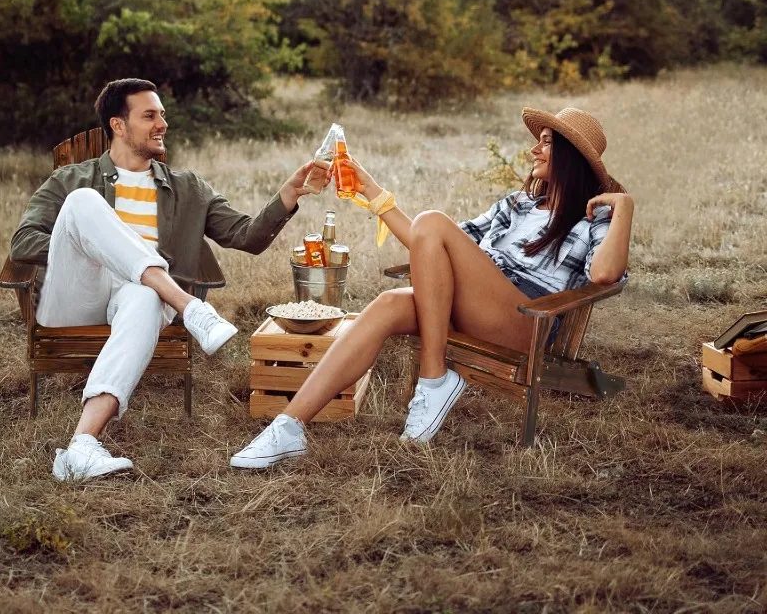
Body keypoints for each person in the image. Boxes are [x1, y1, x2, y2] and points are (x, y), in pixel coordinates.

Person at [231, 107, 634, 468]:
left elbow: (605, 274)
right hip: (474, 306)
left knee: (432, 221)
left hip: (525, 322)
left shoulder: (593, 219)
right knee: (389, 303)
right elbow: (427, 242)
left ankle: (433, 376)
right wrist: (370, 189)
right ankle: (289, 427)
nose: (535, 149)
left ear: (571, 157)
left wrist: (624, 206)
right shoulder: (516, 205)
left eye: (546, 143)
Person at [10, 78, 321, 482]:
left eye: (162, 114)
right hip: (78, 296)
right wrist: (94, 248)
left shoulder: (187, 188)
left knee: (144, 294)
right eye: (149, 116)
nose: (163, 124)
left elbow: (246, 237)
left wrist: (288, 195)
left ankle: (81, 446)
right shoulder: (71, 180)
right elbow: (23, 242)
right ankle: (190, 307)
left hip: (143, 300)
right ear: (118, 125)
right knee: (84, 204)